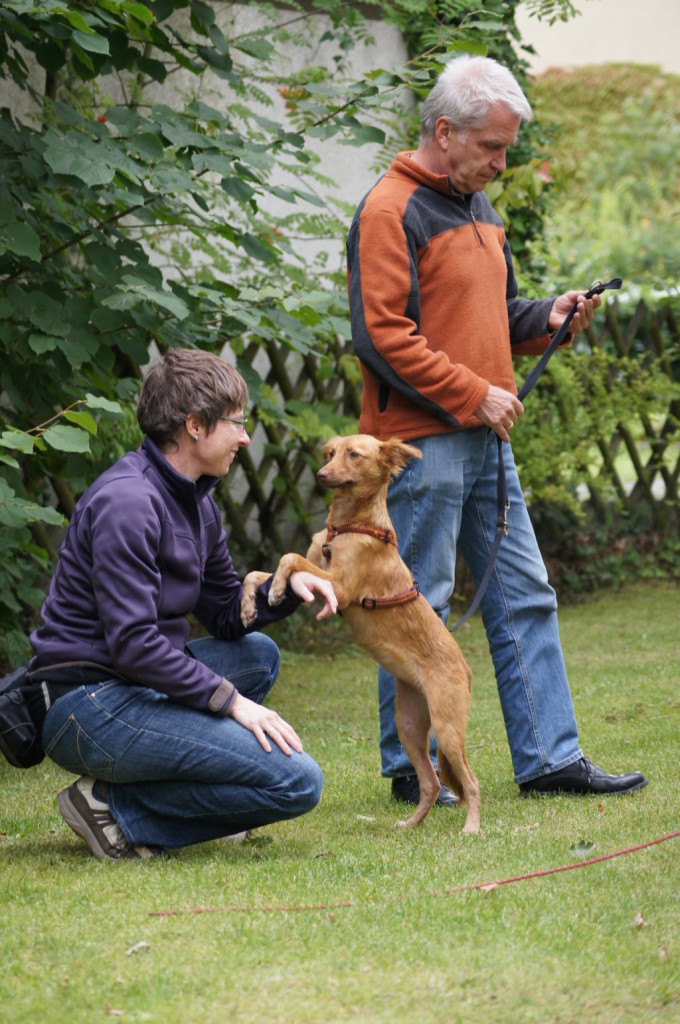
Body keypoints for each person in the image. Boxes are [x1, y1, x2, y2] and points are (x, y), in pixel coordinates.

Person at [346, 54, 648, 805]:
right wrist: (472, 394)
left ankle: (550, 759)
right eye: (491, 146)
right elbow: (381, 335)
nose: (501, 163)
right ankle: (412, 770)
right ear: (445, 131)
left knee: (525, 593)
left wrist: (549, 317)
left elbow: (495, 317)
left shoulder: (479, 207)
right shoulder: (390, 210)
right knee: (415, 605)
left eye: (507, 148)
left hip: (486, 439)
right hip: (418, 447)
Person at [30, 348, 338, 860]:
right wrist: (232, 702)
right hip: (86, 704)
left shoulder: (197, 501)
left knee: (258, 656)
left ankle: (165, 796)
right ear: (195, 425)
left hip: (133, 682)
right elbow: (134, 645)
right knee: (297, 782)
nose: (245, 437)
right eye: (236, 423)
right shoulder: (128, 503)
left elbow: (225, 613)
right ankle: (112, 808)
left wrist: (288, 586)